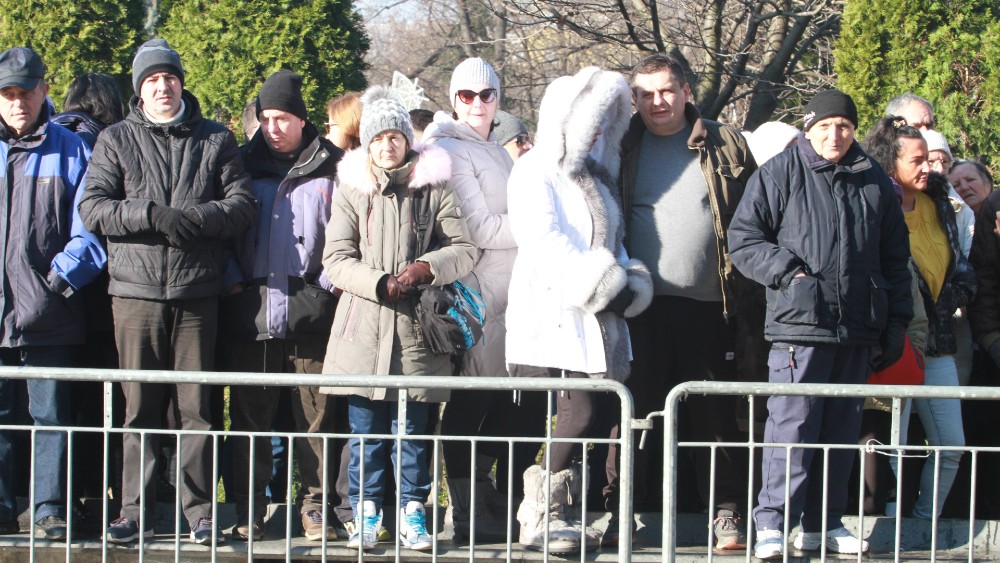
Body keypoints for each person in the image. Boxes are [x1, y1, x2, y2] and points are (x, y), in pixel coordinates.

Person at [78, 38, 257, 545]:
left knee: (198, 407)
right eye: (152, 79)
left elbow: (243, 205)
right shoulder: (115, 139)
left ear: (181, 82)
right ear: (140, 88)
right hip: (133, 293)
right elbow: (93, 208)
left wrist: (196, 219)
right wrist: (149, 214)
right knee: (139, 407)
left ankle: (199, 512)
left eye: (169, 77)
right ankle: (134, 509)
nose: (162, 86)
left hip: (198, 294)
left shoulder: (215, 140)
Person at [728, 89, 912, 559]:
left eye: (845, 126)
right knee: (792, 427)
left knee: (839, 431)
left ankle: (824, 523)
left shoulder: (874, 178)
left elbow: (895, 259)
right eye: (825, 126)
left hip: (857, 328)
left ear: (855, 129)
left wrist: (895, 325)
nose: (835, 135)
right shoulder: (780, 172)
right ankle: (772, 524)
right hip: (798, 328)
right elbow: (744, 240)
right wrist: (790, 273)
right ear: (809, 128)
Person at [320, 86, 476, 551]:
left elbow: (465, 248)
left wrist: (428, 267)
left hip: (418, 333)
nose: (388, 145)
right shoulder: (351, 190)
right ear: (366, 144)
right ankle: (365, 515)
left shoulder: (434, 187)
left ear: (408, 139)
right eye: (379, 137)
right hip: (361, 332)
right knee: (365, 432)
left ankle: (413, 512)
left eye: (395, 135)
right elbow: (335, 257)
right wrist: (377, 282)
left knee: (412, 434)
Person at [615, 52, 762, 549]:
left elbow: (757, 216)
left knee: (714, 418)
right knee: (633, 417)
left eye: (667, 91)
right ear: (633, 99)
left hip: (710, 306)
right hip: (639, 310)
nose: (658, 102)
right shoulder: (618, 145)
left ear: (686, 92)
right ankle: (623, 515)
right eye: (646, 93)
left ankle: (727, 515)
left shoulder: (726, 142)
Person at [505, 66, 652, 554]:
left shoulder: (598, 176)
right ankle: (538, 511)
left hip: (598, 317)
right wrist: (602, 284)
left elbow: (616, 240)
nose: (595, 132)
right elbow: (542, 240)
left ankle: (586, 514)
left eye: (603, 124)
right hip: (556, 310)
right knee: (579, 411)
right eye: (588, 121)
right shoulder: (534, 169)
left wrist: (631, 279)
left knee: (607, 412)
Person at [221, 69, 345, 542]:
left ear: (302, 118)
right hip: (253, 314)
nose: (274, 128)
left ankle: (315, 507)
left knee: (316, 417)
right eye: (266, 118)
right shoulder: (238, 164)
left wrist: (327, 286)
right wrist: (235, 285)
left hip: (312, 315)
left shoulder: (331, 166)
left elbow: (348, 233)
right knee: (250, 419)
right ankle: (249, 509)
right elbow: (224, 236)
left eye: (283, 118)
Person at [422, 57, 536, 543]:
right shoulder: (446, 148)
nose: (477, 103)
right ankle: (467, 511)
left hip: (523, 290)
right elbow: (482, 229)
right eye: (466, 96)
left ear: (497, 98)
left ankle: (495, 497)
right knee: (475, 400)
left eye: (486, 94)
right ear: (453, 100)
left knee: (525, 405)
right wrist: (544, 227)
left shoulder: (498, 148)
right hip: (478, 292)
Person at [0, 46, 106, 541]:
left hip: (50, 311)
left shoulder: (72, 148)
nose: (18, 102)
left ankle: (48, 508)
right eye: (8, 93)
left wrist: (56, 285)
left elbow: (89, 233)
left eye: (27, 90)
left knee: (51, 416)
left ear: (46, 89)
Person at [863, 116, 974, 520]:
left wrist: (960, 293)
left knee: (952, 445)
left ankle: (925, 523)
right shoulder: (874, 202)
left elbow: (960, 261)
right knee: (887, 444)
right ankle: (886, 522)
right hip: (895, 340)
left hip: (939, 341)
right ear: (891, 163)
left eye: (929, 159)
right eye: (917, 160)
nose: (929, 168)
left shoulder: (939, 202)